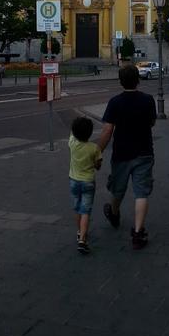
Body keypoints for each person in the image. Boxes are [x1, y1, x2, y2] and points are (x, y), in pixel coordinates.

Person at [98, 64, 157, 250]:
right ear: (138, 80)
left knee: (118, 189)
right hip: (144, 152)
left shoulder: (115, 102)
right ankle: (138, 233)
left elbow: (107, 130)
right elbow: (152, 122)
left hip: (121, 153)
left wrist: (97, 151)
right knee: (141, 193)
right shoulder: (148, 100)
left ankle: (114, 213)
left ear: (120, 81)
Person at [68, 116, 102, 255]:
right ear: (90, 133)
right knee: (86, 210)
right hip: (88, 182)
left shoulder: (72, 143)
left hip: (74, 181)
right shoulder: (94, 148)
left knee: (77, 207)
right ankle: (83, 239)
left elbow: (72, 133)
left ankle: (79, 232)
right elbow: (98, 165)